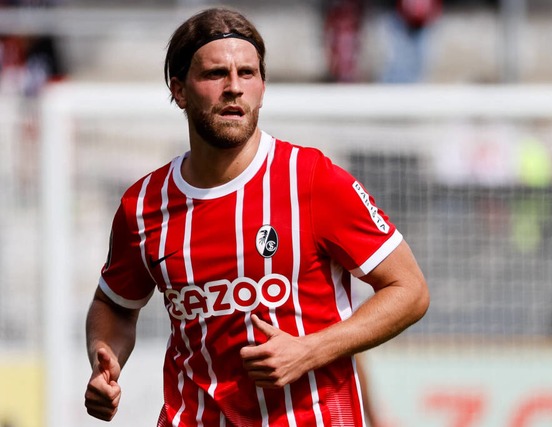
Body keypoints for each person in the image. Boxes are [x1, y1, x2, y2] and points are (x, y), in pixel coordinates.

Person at [84, 7, 429, 427]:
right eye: (215, 75)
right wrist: (106, 362)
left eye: (247, 73)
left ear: (262, 88)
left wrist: (310, 350)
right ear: (179, 90)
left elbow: (409, 289)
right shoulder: (143, 205)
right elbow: (116, 304)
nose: (234, 88)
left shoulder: (312, 180)